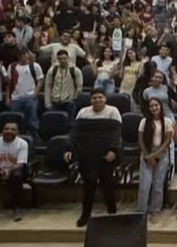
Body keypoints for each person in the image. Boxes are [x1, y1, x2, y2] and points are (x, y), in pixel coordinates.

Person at [63, 90, 122, 227]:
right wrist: (69, 148)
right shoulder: (83, 112)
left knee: (108, 186)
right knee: (88, 187)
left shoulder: (113, 111)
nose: (97, 100)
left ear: (105, 99)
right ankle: (85, 215)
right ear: (90, 100)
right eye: (94, 98)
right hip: (87, 155)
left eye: (100, 97)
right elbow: (75, 133)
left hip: (105, 155)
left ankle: (112, 214)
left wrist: (113, 150)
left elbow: (116, 133)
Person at [137, 97, 174, 222]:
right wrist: (148, 155)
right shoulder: (144, 121)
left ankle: (155, 211)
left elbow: (167, 141)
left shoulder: (167, 121)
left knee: (158, 185)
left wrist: (156, 155)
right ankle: (141, 212)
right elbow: (141, 140)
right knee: (145, 185)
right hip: (146, 153)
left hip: (162, 154)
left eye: (156, 105)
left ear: (160, 106)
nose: (154, 108)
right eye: (151, 106)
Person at [7, 48, 43, 136]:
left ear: (28, 54)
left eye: (24, 54)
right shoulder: (12, 67)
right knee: (15, 120)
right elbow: (8, 83)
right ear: (17, 56)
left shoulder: (34, 66)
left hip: (30, 96)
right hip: (16, 97)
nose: (22, 56)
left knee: (32, 119)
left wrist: (35, 94)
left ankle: (34, 136)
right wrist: (7, 97)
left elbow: (40, 81)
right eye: (20, 54)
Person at [44, 50, 83, 120]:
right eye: (60, 59)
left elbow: (79, 87)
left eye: (64, 58)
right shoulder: (52, 70)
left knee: (69, 123)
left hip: (68, 103)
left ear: (68, 58)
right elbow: (48, 86)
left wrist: (73, 99)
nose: (62, 60)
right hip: (54, 102)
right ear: (57, 59)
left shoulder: (75, 71)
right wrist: (47, 103)